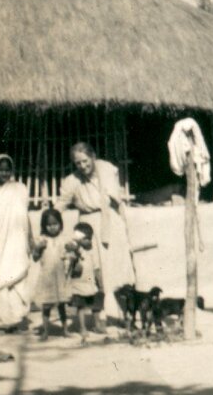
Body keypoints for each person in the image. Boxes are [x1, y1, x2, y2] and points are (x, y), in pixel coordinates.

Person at [57, 142, 135, 322]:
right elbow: (61, 204)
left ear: (93, 157)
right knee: (95, 271)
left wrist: (125, 226)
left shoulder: (107, 170)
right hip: (88, 227)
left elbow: (117, 202)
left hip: (110, 222)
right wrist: (49, 220)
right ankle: (99, 317)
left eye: (85, 161)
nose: (83, 166)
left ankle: (125, 316)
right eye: (78, 163)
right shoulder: (72, 181)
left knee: (118, 268)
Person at [0, 154, 34, 332]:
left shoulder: (20, 188)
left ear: (12, 171)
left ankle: (17, 319)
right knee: (0, 277)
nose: (4, 173)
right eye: (1, 169)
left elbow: (24, 215)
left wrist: (31, 238)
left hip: (18, 239)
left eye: (7, 169)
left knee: (18, 276)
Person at [31, 208, 72, 341]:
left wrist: (70, 252)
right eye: (49, 225)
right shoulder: (41, 239)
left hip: (60, 276)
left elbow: (69, 256)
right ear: (44, 226)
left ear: (60, 223)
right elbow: (35, 258)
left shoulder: (64, 239)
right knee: (46, 305)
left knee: (61, 305)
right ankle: (46, 331)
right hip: (47, 277)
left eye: (55, 224)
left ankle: (65, 329)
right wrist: (38, 248)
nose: (52, 227)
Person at [65, 222, 104, 345]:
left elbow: (97, 268)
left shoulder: (92, 251)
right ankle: (82, 327)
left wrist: (100, 282)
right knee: (81, 306)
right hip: (79, 283)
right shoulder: (75, 250)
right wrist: (75, 246)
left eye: (90, 238)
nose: (88, 241)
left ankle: (97, 324)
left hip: (91, 282)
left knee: (96, 304)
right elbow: (69, 248)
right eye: (85, 239)